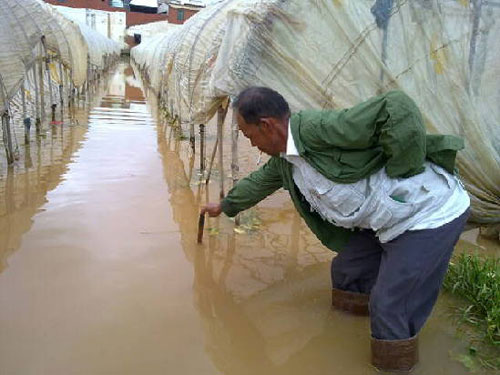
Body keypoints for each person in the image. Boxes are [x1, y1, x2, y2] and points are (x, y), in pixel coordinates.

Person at [201, 87, 470, 372]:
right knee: (348, 272)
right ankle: (344, 331)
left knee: (390, 305)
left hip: (426, 213)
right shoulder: (284, 161)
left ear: (266, 125)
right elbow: (258, 183)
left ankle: (393, 363)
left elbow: (396, 106)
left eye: (248, 135)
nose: (251, 143)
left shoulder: (318, 130)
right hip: (384, 221)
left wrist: (404, 172)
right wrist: (225, 206)